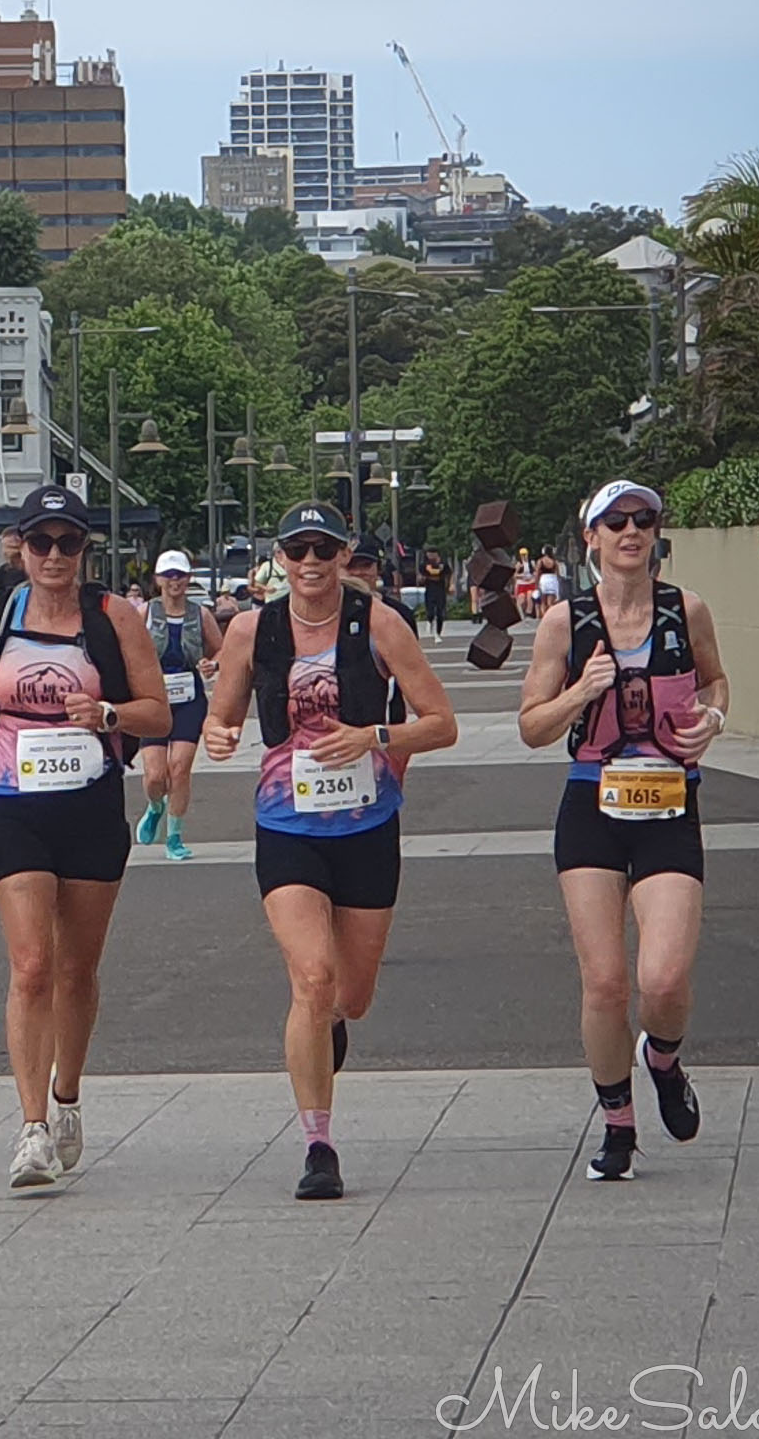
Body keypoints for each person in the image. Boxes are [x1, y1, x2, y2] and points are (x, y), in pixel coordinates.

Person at [204, 502, 456, 1202]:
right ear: (279, 559)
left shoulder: (378, 624)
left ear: (344, 556)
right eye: (297, 550)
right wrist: (218, 739)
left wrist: (374, 737)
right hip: (287, 826)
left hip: (367, 825)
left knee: (352, 994)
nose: (310, 563)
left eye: (324, 550)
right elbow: (221, 718)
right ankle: (318, 1145)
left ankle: (332, 1023)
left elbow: (442, 725)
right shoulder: (253, 630)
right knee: (311, 978)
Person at [0, 485, 170, 1190]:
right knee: (32, 964)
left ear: (85, 550)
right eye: (42, 542)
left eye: (69, 543)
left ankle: (68, 1094)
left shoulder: (114, 618)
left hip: (90, 802)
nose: (55, 556)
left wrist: (105, 714)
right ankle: (32, 1128)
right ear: (22, 548)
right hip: (13, 802)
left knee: (76, 970)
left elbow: (157, 713)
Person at [516, 480, 728, 1183]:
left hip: (670, 803)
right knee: (605, 981)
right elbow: (532, 727)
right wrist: (582, 691)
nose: (631, 531)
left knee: (663, 977)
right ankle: (617, 1124)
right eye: (616, 521)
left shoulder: (685, 609)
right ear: (592, 539)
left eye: (643, 520)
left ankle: (662, 1058)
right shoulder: (565, 622)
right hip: (592, 807)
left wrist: (713, 721)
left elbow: (716, 682)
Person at [135, 549, 225, 862]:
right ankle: (155, 806)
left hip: (189, 697)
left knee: (180, 767)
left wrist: (211, 665)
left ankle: (174, 836)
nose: (175, 582)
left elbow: (221, 651)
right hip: (154, 698)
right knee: (156, 774)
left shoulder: (200, 614)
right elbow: (127, 651)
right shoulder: (145, 612)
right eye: (169, 576)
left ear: (188, 579)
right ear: (158, 580)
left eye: (180, 575)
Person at [0, 528, 27, 605]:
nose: (5, 551)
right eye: (5, 546)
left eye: (11, 547)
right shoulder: (4, 570)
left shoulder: (32, 571)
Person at [420, 548, 449, 639]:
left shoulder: (443, 564)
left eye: (432, 554)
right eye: (428, 555)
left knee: (440, 611)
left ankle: (438, 633)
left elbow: (448, 573)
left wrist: (451, 585)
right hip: (430, 589)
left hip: (441, 589)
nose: (430, 556)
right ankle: (429, 622)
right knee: (430, 609)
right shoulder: (424, 564)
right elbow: (422, 575)